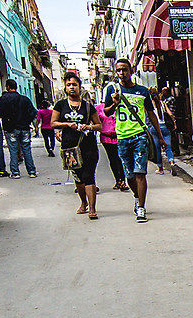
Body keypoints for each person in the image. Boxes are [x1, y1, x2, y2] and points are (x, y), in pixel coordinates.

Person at [100, 58, 159, 222]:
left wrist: (159, 136)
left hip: (139, 135)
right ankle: (136, 196)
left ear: (131, 70)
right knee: (130, 175)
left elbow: (150, 113)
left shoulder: (142, 91)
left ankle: (141, 207)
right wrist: (114, 104)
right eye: (118, 70)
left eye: (124, 69)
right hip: (122, 137)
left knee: (140, 173)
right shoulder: (112, 90)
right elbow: (106, 112)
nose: (121, 73)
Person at [54, 72, 100, 219]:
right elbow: (52, 123)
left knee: (88, 176)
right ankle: (83, 203)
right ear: (65, 88)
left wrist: (88, 127)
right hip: (69, 147)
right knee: (78, 177)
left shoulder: (87, 106)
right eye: (69, 85)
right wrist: (67, 124)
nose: (72, 87)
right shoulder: (60, 105)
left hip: (88, 145)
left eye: (74, 84)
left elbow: (98, 125)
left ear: (80, 87)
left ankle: (92, 208)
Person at [0, 79, 39, 178]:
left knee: (13, 150)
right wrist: (27, 121)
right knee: (26, 149)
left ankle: (15, 173)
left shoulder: (3, 98)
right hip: (24, 127)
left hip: (11, 128)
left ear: (7, 87)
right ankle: (31, 171)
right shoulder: (25, 99)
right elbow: (33, 113)